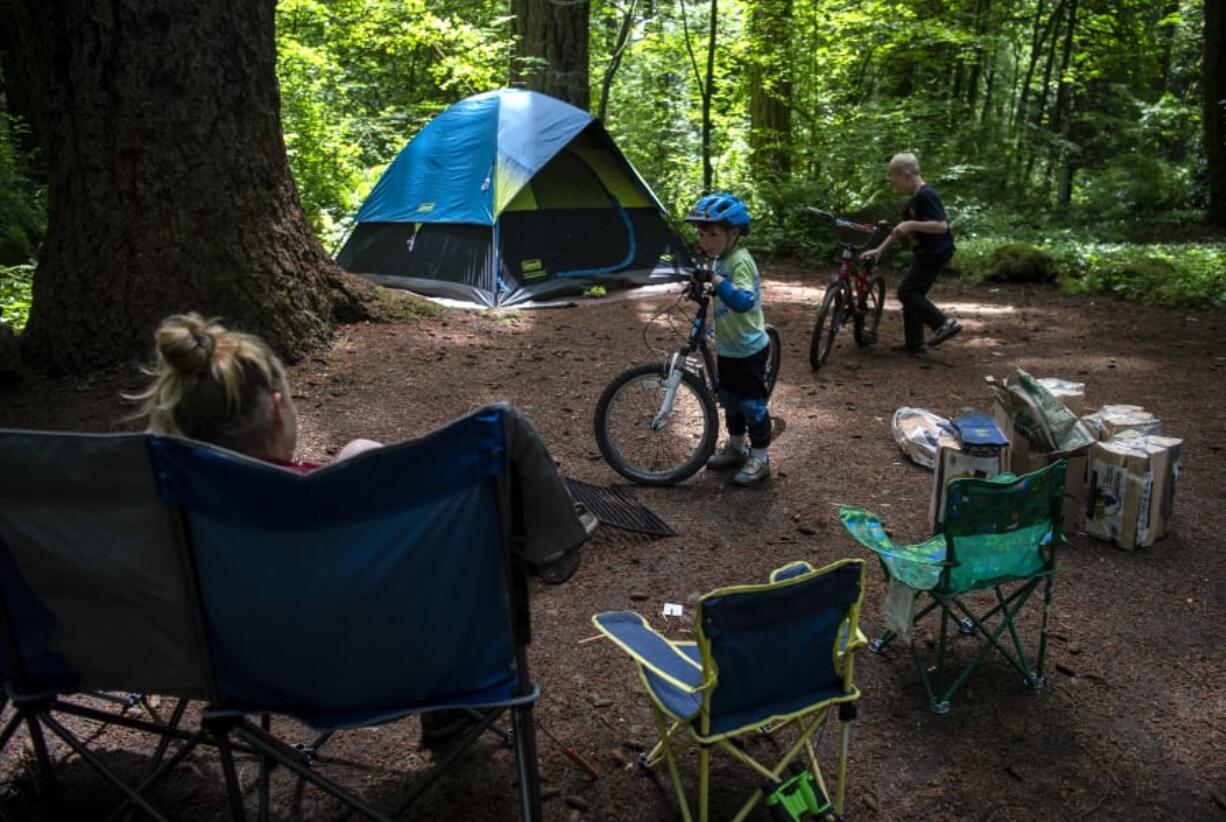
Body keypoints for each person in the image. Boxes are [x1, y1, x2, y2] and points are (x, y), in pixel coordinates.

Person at [685, 193, 772, 486]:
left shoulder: (739, 262)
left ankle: (760, 457)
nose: (705, 241)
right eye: (701, 234)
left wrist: (718, 282)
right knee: (730, 400)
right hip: (729, 347)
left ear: (734, 233)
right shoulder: (719, 258)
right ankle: (736, 447)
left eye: (712, 234)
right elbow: (713, 287)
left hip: (748, 347)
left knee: (752, 404)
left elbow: (743, 300)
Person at [861, 152, 961, 353]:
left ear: (906, 174)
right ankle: (914, 343)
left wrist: (911, 224)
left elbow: (941, 226)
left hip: (936, 251)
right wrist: (880, 249)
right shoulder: (915, 199)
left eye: (894, 179)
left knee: (907, 292)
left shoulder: (926, 194)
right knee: (913, 294)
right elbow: (902, 228)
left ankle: (944, 323)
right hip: (926, 250)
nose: (893, 184)